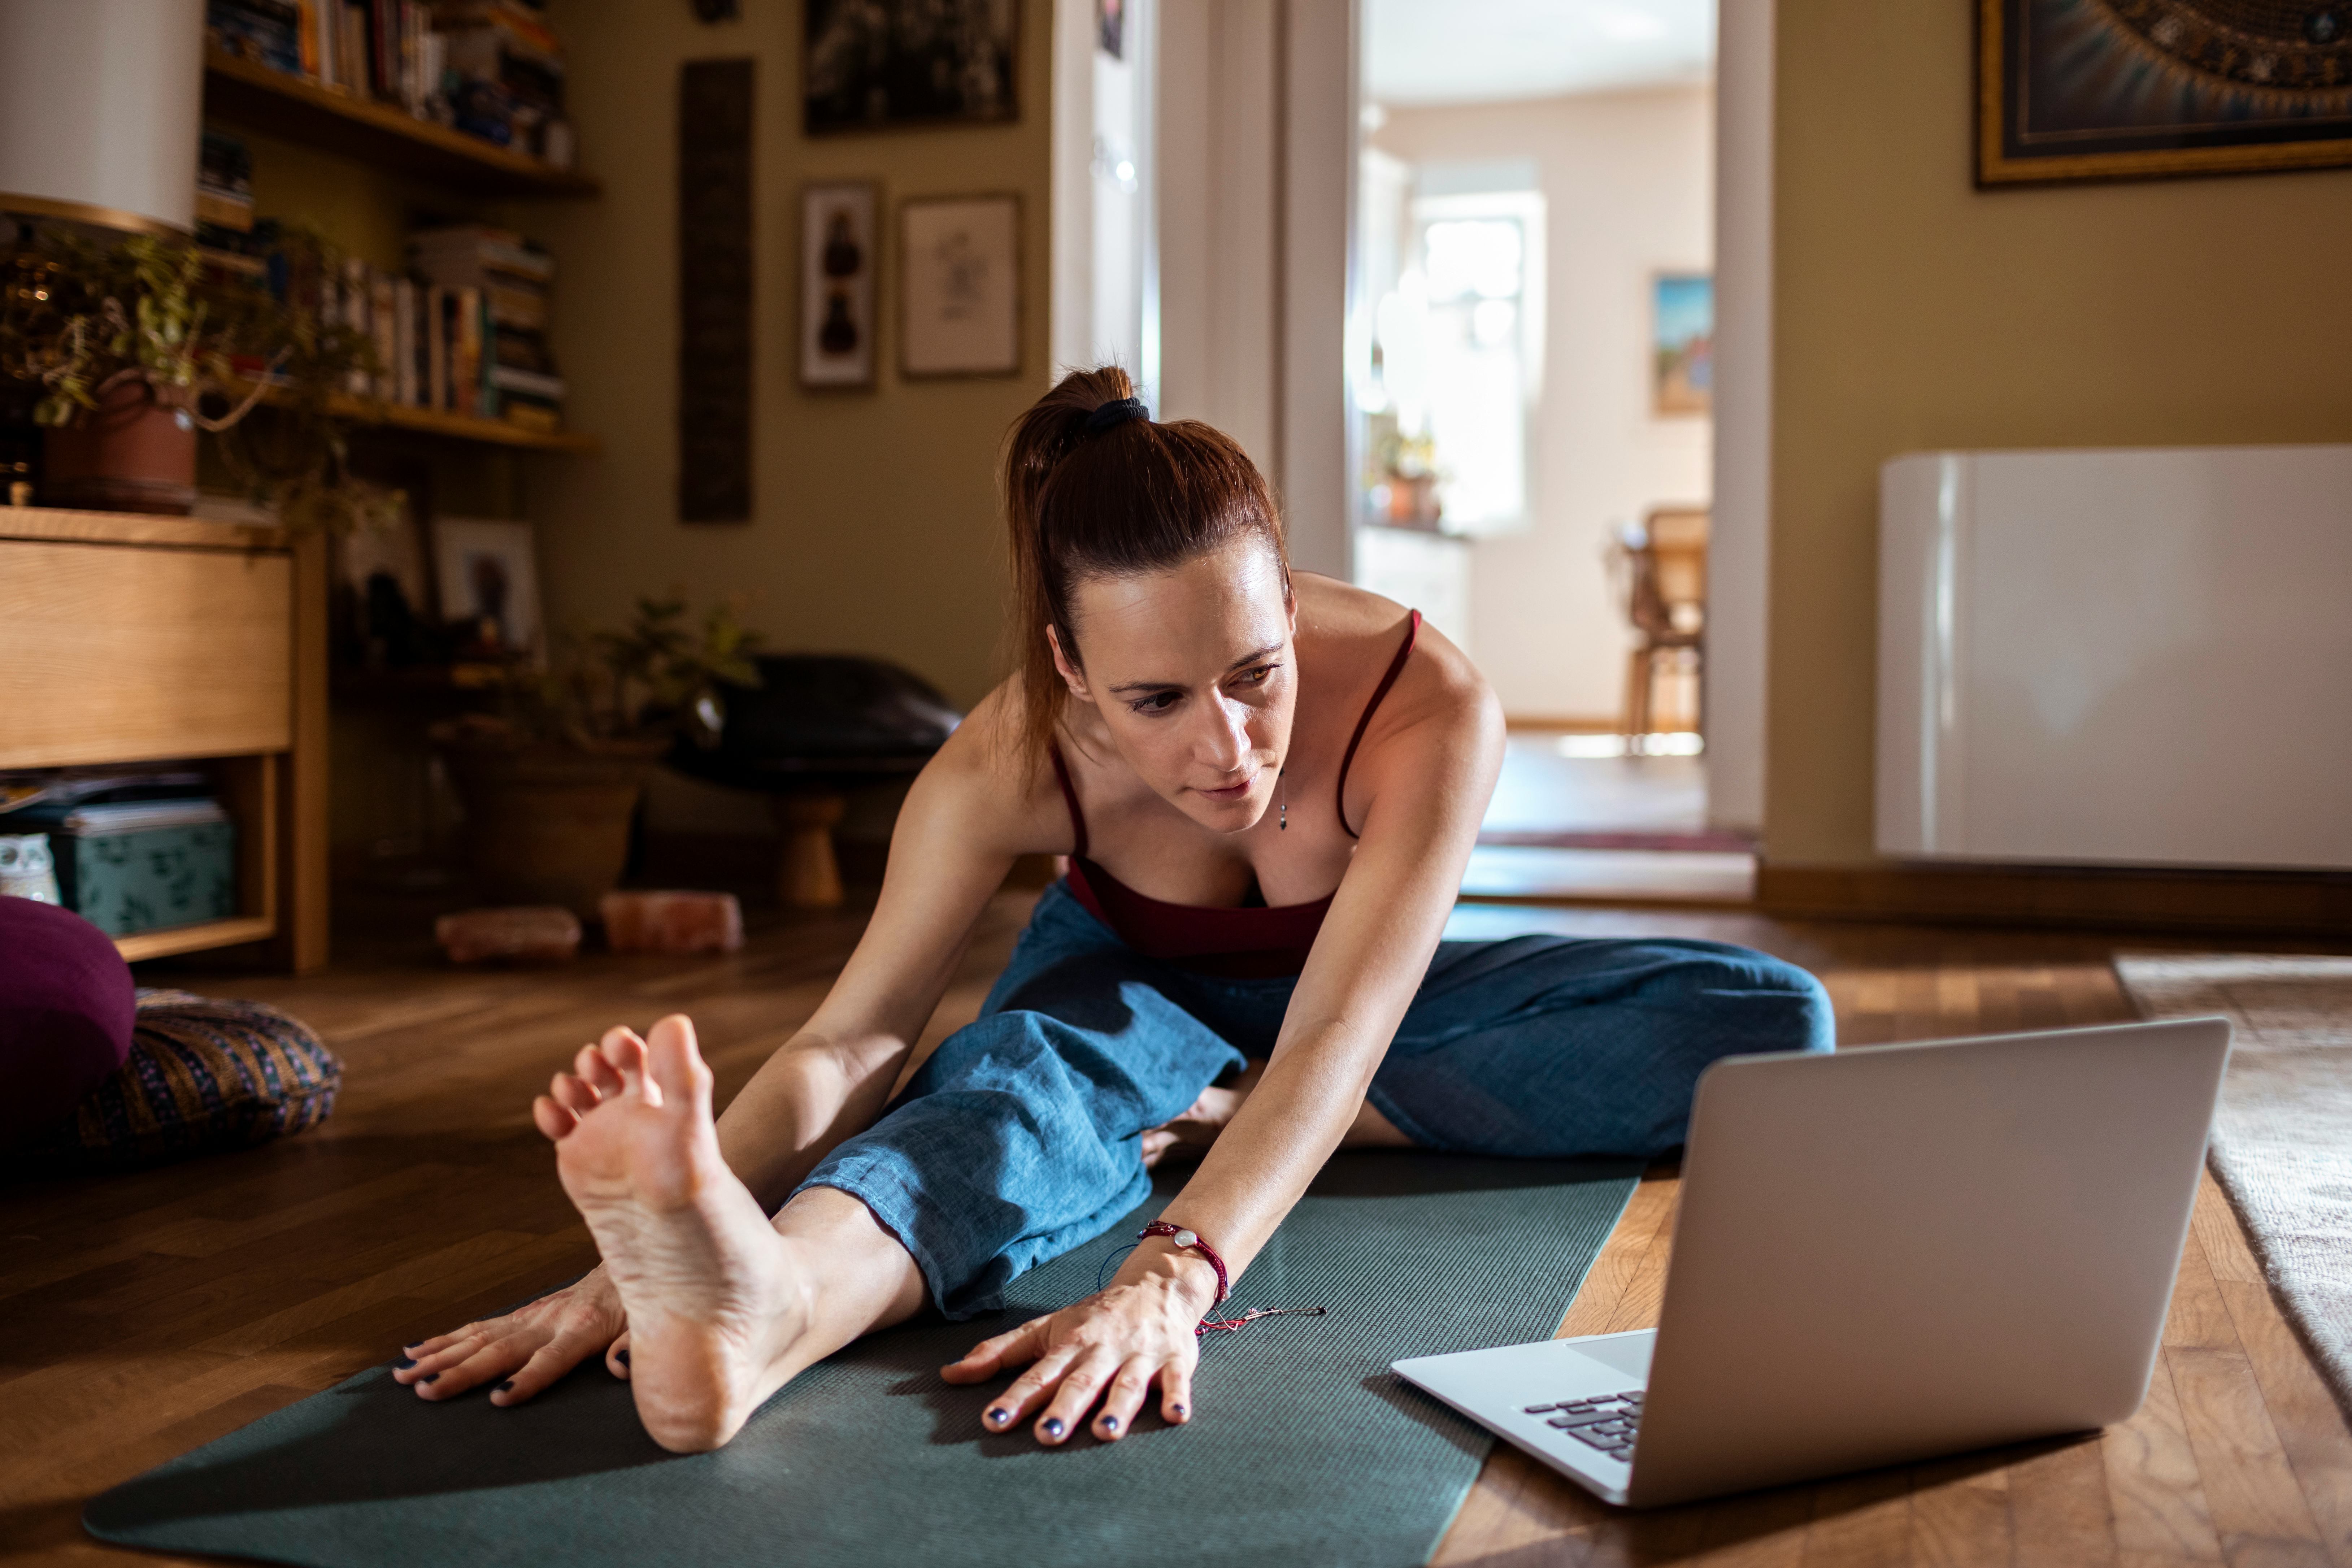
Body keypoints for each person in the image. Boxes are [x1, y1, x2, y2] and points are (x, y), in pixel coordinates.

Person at [393, 368, 1832, 1454]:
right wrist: (626, 1261)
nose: (1233, 747)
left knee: (1767, 1021)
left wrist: (1176, 1269)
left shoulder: (1427, 700)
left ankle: (1206, 1112)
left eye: (1258, 671)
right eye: (1157, 699)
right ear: (1070, 669)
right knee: (1009, 1085)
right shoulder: (998, 764)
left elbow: (1341, 1025)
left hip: (1354, 1002)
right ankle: (760, 1306)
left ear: (1286, 589)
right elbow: (852, 1042)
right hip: (1125, 990)